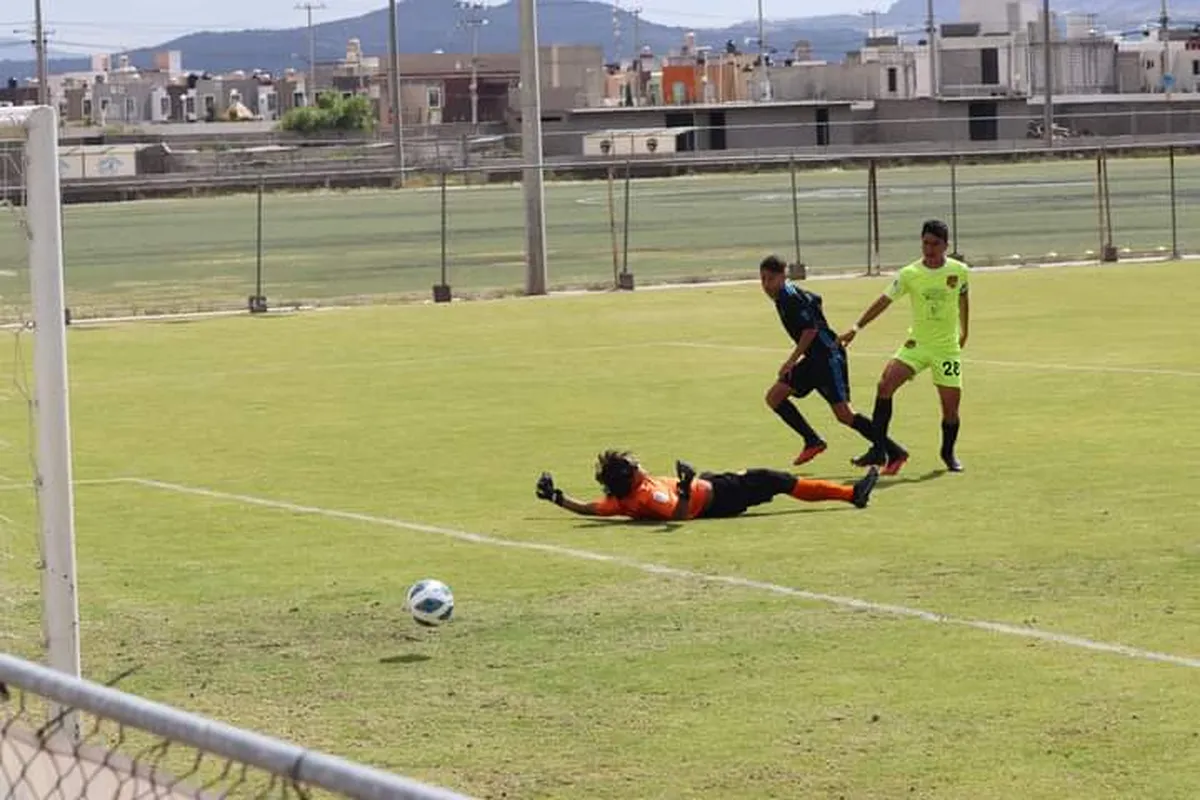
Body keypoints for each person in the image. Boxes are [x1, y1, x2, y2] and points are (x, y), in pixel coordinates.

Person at [838, 219, 970, 474]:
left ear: (946, 245)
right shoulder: (910, 273)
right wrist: (856, 328)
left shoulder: (959, 270)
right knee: (885, 384)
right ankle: (878, 448)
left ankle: (948, 452)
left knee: (951, 409)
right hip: (917, 344)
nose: (929, 249)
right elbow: (884, 301)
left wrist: (965, 331)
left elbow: (964, 298)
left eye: (935, 244)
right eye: (925, 243)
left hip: (946, 349)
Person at [759, 255, 905, 466]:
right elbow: (816, 299)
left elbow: (809, 330)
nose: (765, 285)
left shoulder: (789, 297)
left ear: (783, 276)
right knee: (774, 396)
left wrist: (790, 361)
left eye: (770, 279)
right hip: (813, 358)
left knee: (845, 414)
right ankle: (812, 441)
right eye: (762, 279)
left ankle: (894, 451)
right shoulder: (786, 294)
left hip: (827, 357)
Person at [535, 450, 880, 521]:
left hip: (713, 484)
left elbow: (590, 509)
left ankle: (852, 495)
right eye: (632, 464)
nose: (638, 461)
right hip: (721, 497)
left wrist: (556, 497)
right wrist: (685, 486)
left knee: (775, 479)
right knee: (779, 480)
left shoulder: (621, 501)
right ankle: (852, 494)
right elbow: (678, 515)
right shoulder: (647, 495)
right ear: (629, 476)